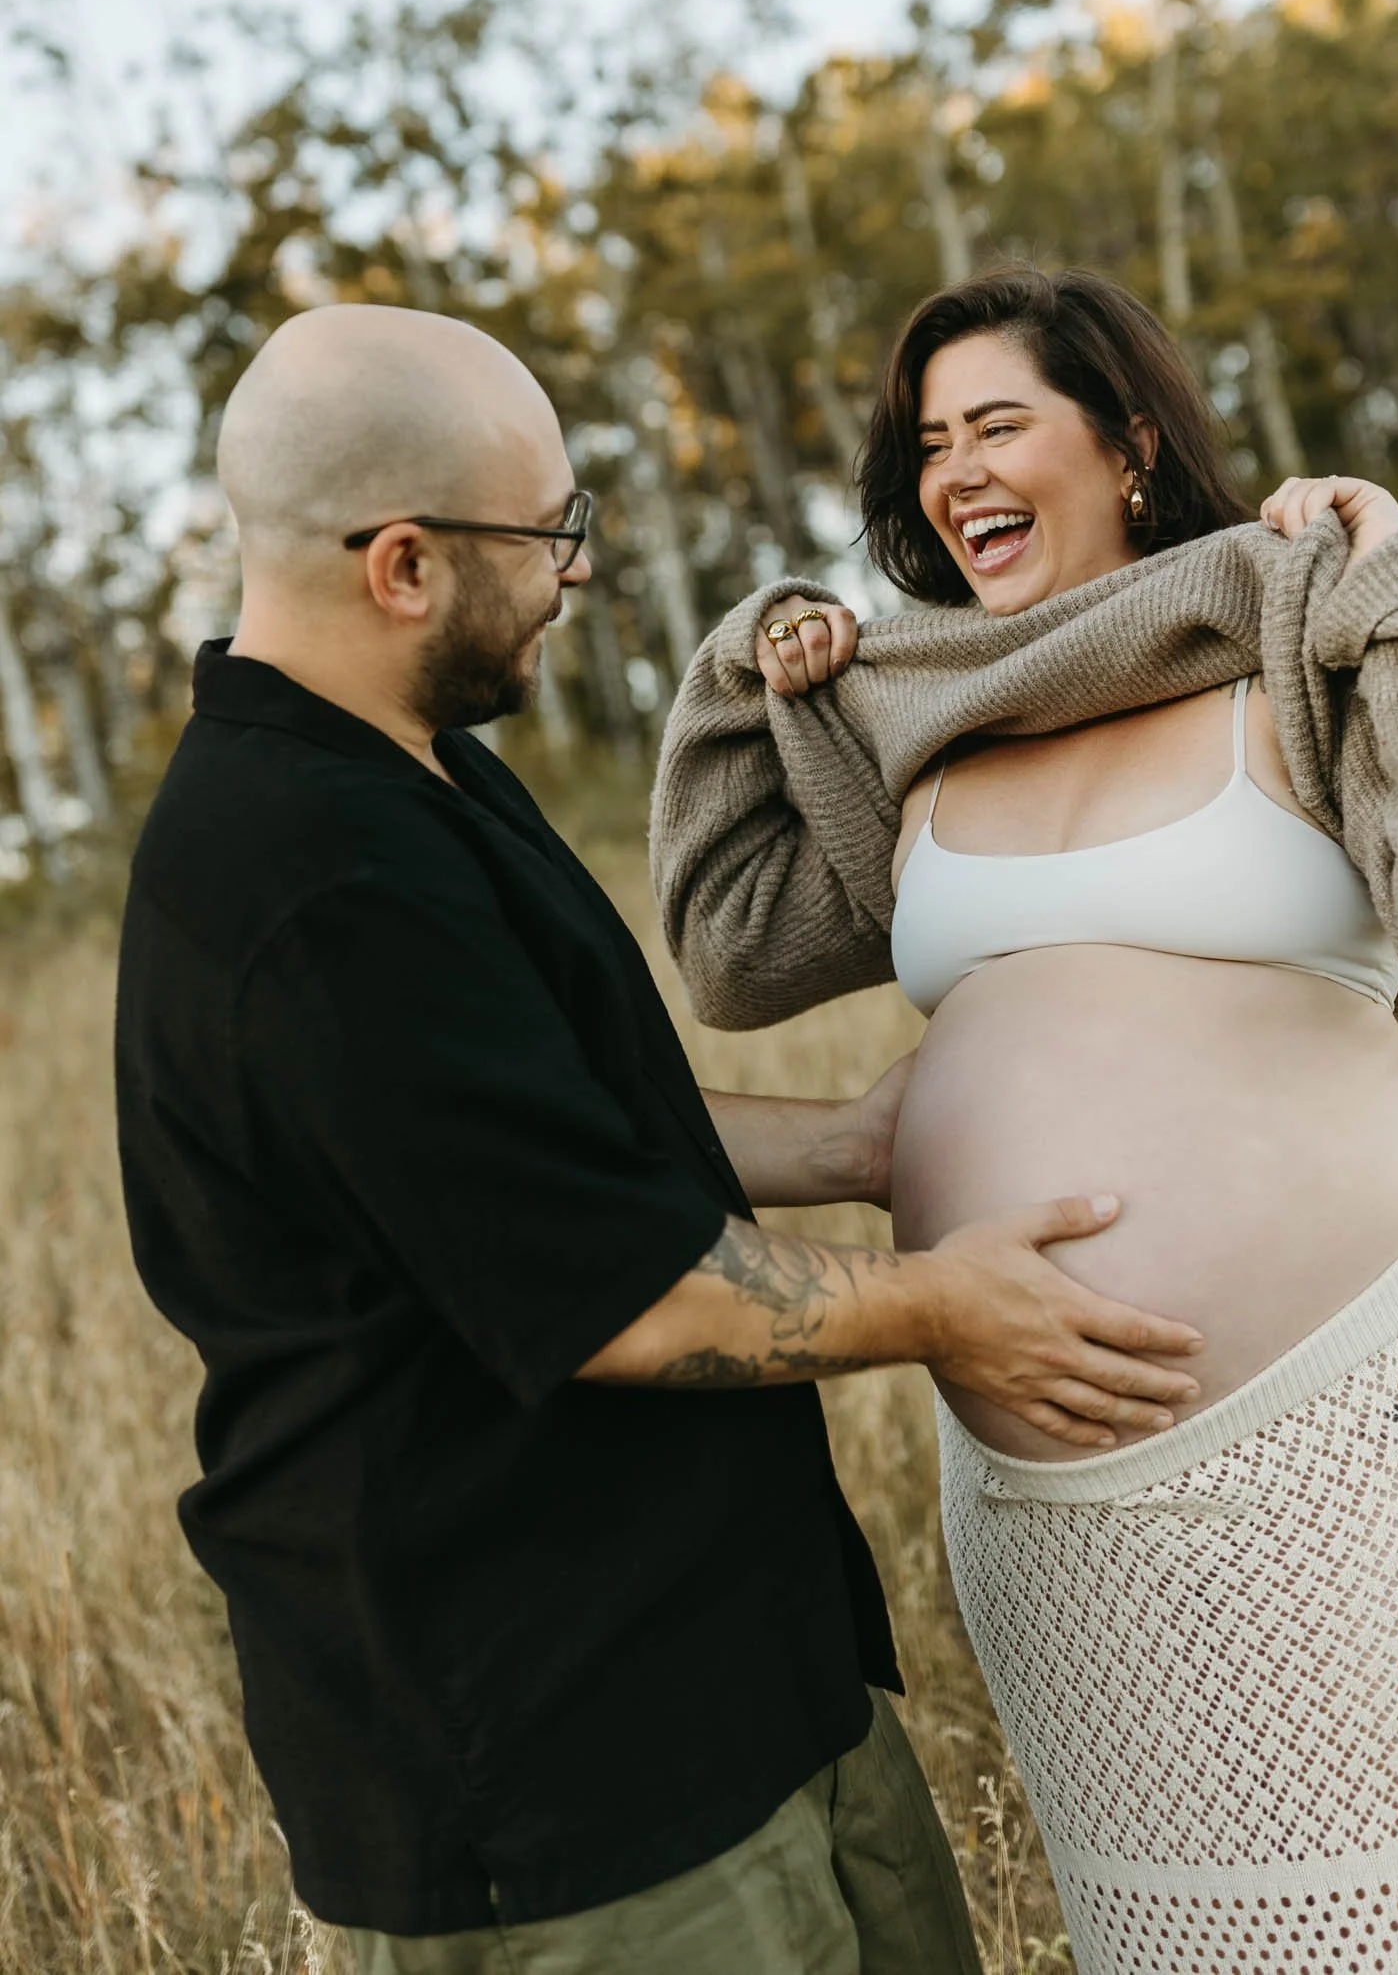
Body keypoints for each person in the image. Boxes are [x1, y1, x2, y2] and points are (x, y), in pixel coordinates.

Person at [114, 301, 1208, 1975]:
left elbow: (544, 1132)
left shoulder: (417, 772)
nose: (573, 568)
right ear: (403, 564)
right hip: (579, 1778)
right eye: (549, 531)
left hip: (740, 1680)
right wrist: (940, 1301)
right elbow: (624, 1297)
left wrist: (845, 1137)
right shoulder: (308, 876)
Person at [651, 265, 1398, 1973]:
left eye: (998, 422)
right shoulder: (918, 716)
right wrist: (753, 667)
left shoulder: (1292, 631)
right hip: (1054, 1493)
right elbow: (731, 947)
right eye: (927, 439)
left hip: (1357, 1426)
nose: (953, 467)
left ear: (1129, 439)